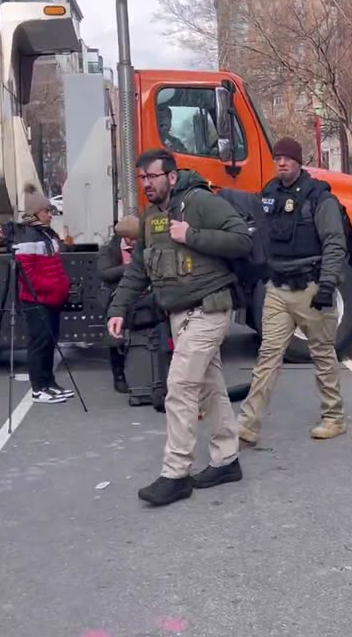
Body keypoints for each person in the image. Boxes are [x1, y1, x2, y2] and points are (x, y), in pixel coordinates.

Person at [107, 148, 253, 506]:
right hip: (178, 315)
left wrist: (193, 236)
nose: (147, 185)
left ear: (171, 176)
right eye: (142, 179)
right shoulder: (152, 216)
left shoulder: (200, 202)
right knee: (209, 388)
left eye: (152, 177)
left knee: (180, 386)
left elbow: (242, 239)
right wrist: (118, 308)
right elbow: (139, 269)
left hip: (210, 309)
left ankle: (176, 474)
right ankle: (227, 460)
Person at [238, 137, 348, 445]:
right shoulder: (269, 193)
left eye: (287, 158)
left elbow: (334, 243)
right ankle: (248, 424)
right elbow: (260, 233)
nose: (282, 162)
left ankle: (333, 416)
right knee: (268, 356)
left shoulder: (319, 197)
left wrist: (327, 285)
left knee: (322, 354)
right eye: (278, 158)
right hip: (277, 286)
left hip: (311, 286)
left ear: (298, 162)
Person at [8, 186, 75, 404]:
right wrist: (53, 288)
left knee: (49, 342)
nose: (50, 214)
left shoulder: (47, 234)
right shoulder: (27, 237)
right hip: (37, 302)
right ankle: (39, 387)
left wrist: (63, 287)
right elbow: (28, 275)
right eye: (46, 211)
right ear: (35, 213)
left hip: (52, 300)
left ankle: (49, 383)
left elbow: (55, 265)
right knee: (39, 344)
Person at [97, 215, 141, 397]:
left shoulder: (142, 245)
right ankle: (119, 375)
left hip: (139, 295)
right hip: (115, 296)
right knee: (116, 336)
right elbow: (105, 273)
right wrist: (131, 267)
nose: (134, 241)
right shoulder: (109, 250)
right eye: (131, 238)